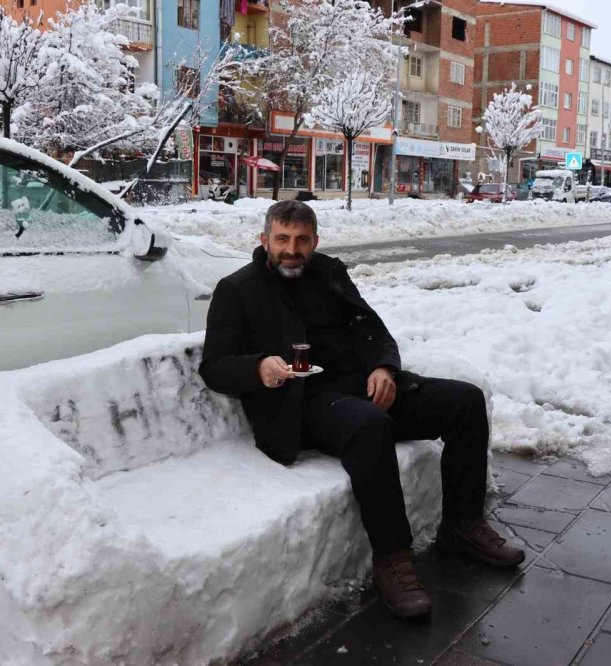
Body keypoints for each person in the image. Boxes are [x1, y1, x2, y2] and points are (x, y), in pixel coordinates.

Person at [198, 201, 524, 620]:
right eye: (282, 239)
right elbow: (214, 366)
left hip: (362, 388)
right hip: (302, 405)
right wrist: (259, 366)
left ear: (315, 242)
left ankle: (462, 526)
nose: (291, 249)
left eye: (301, 240)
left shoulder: (329, 273)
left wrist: (384, 366)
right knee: (370, 426)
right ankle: (392, 558)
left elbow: (372, 329)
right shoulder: (238, 289)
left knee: (464, 401)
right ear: (264, 241)